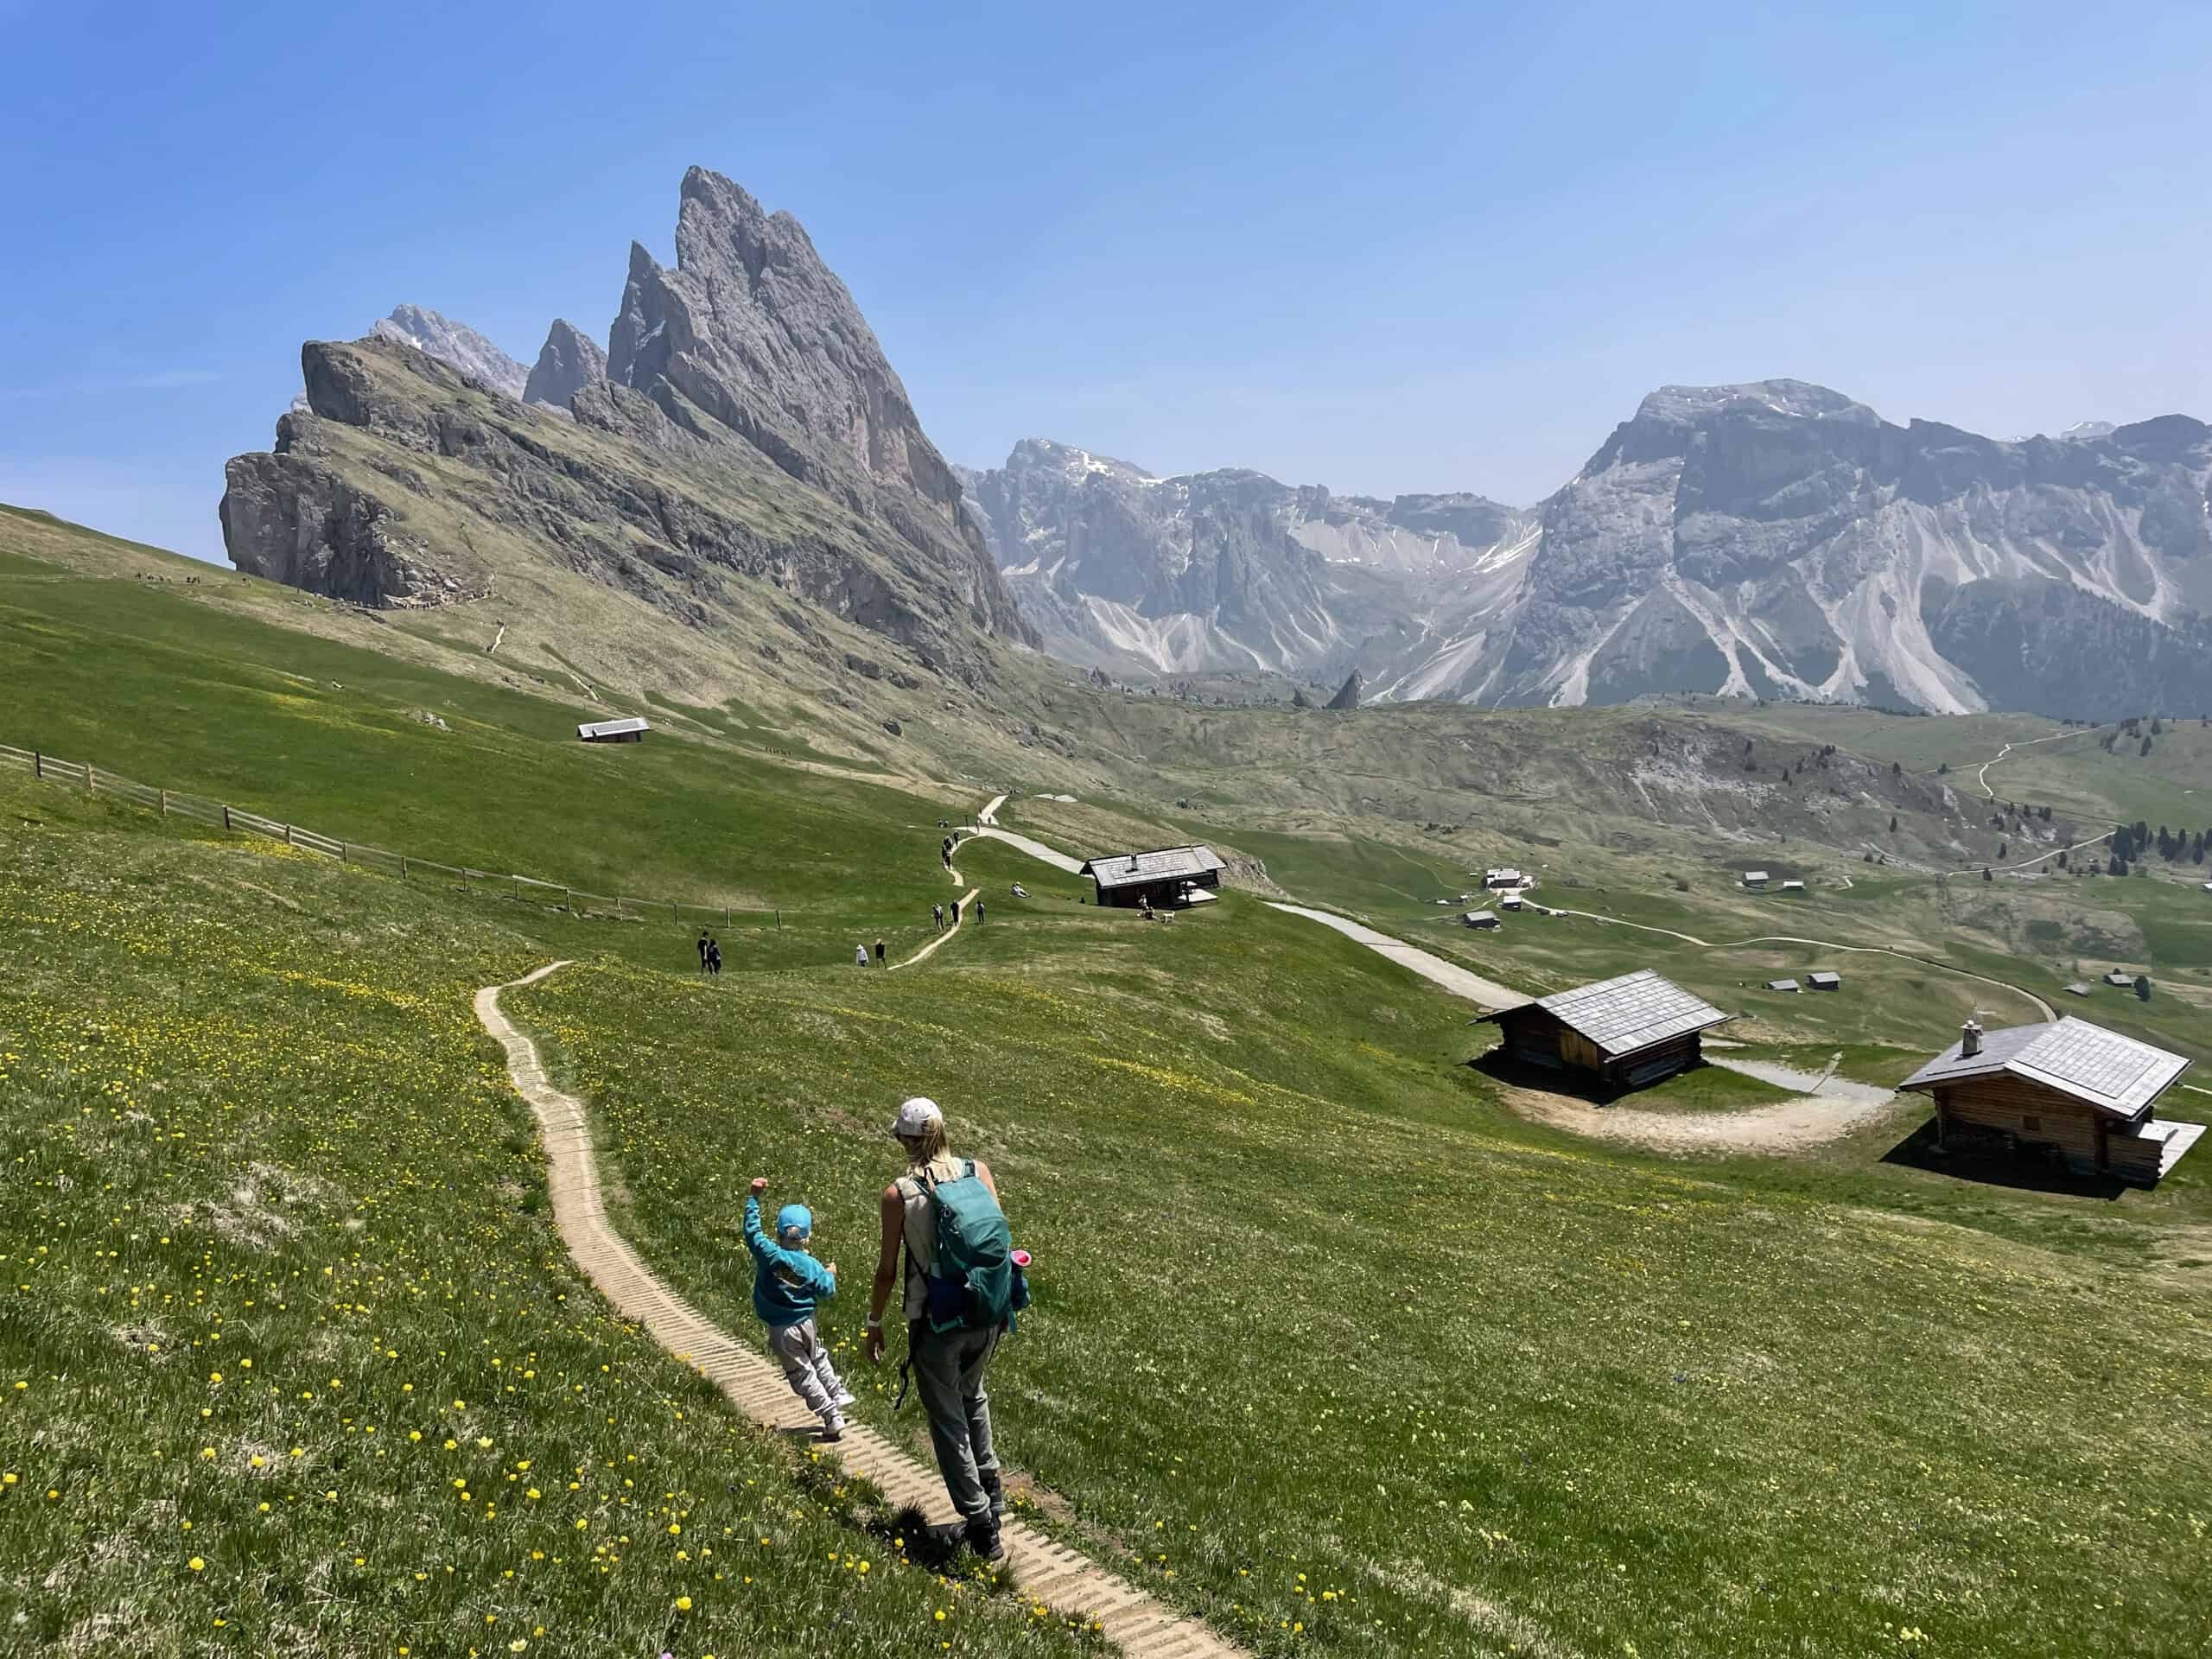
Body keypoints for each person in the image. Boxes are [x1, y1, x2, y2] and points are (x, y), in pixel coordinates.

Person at [868, 1098, 1008, 1560]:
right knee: (974, 1398)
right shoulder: (977, 1172)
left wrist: (874, 1322)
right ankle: (993, 1496)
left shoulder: (900, 1194)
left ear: (907, 1140)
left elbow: (888, 1271)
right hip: (985, 1312)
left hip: (937, 1320)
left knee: (948, 1422)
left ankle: (981, 1528)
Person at [744, 1176, 851, 1440]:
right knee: (817, 1357)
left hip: (782, 1330)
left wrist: (754, 1198)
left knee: (801, 1373)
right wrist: (830, 1274)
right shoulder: (812, 1266)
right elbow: (827, 1290)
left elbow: (752, 1232)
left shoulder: (769, 1254)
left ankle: (831, 1416)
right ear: (807, 1236)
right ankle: (837, 1392)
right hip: (807, 1322)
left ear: (778, 1231)